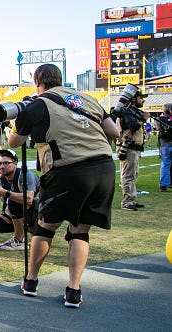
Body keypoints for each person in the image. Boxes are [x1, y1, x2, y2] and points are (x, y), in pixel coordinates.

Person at [8, 63, 119, 308]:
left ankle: (31, 281)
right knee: (80, 230)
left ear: (38, 82)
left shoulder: (39, 104)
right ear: (60, 79)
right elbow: (113, 132)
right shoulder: (87, 98)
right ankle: (73, 291)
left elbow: (14, 141)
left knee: (45, 227)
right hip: (103, 167)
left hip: (67, 169)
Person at [0, 149, 40, 250]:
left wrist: (6, 193)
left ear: (15, 164)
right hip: (26, 212)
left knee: (13, 202)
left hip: (41, 210)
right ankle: (36, 231)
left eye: (6, 163)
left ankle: (19, 241)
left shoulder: (25, 175)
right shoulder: (1, 180)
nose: (2, 166)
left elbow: (29, 199)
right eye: (0, 163)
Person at [116, 89, 149, 210]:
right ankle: (127, 202)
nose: (143, 100)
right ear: (133, 99)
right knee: (128, 175)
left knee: (133, 174)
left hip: (134, 147)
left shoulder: (132, 111)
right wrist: (144, 119)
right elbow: (133, 126)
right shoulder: (127, 111)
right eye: (141, 98)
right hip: (128, 147)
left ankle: (131, 199)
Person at [156, 103, 172, 192]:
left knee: (165, 164)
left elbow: (158, 129)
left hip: (164, 144)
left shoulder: (159, 119)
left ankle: (163, 185)